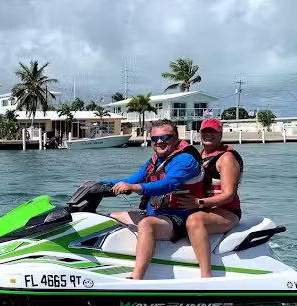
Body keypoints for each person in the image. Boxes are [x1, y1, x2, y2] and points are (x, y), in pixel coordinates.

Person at [103, 119, 204, 279]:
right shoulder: (155, 161)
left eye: (165, 138)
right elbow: (133, 179)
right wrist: (99, 185)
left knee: (146, 224)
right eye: (154, 139)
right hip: (157, 214)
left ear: (176, 138)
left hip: (179, 219)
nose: (159, 142)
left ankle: (136, 278)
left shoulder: (185, 160)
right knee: (110, 218)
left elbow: (168, 184)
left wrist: (136, 188)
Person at [176, 117, 243, 277]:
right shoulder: (197, 156)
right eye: (205, 132)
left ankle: (206, 276)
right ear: (199, 133)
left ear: (220, 134)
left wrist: (198, 203)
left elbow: (228, 195)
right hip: (201, 208)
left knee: (194, 221)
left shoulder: (226, 158)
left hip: (226, 211)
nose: (208, 135)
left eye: (213, 132)